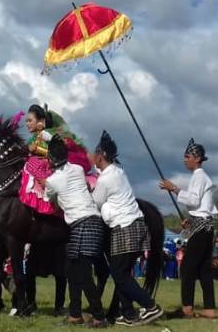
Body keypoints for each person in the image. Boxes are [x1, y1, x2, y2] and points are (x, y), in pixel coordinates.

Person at [91, 131, 163, 326]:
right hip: (135, 226)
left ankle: (150, 306)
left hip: (125, 228)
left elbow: (95, 202)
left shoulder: (106, 179)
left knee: (119, 274)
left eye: (95, 153)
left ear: (101, 155)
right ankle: (129, 314)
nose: (92, 156)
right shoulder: (117, 172)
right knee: (119, 272)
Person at [36, 134, 106, 327]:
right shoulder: (76, 169)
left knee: (82, 273)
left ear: (50, 160)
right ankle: (75, 314)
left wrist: (45, 185)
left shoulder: (53, 181)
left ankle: (99, 316)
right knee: (72, 270)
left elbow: (50, 201)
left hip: (81, 222)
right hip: (90, 221)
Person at [159, 138, 218, 319]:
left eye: (188, 156)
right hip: (203, 226)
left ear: (198, 158)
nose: (185, 160)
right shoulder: (199, 177)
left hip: (202, 228)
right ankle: (209, 308)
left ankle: (187, 308)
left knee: (187, 268)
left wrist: (174, 188)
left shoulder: (199, 176)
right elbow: (202, 207)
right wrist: (190, 221)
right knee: (203, 269)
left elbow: (193, 201)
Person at [20, 104, 91, 215]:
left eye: (30, 120)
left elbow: (55, 153)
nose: (27, 124)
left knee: (32, 163)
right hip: (47, 164)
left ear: (40, 121)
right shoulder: (34, 138)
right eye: (26, 121)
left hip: (52, 166)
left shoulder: (47, 134)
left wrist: (36, 150)